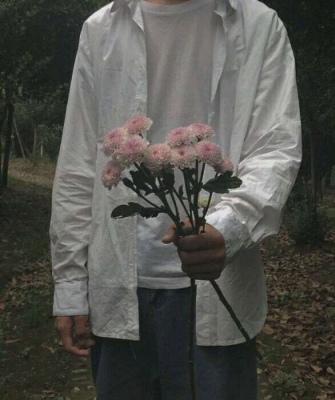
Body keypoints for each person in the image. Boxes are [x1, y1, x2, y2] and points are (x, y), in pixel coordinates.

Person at [50, 0, 302, 398]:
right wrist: (69, 283)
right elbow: (79, 161)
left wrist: (229, 227)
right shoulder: (101, 29)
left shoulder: (257, 24)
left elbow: (275, 148)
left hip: (219, 287)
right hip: (117, 287)